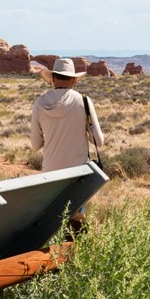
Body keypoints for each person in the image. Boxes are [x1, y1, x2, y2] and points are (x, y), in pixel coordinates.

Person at [31, 58, 104, 240]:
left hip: (50, 175)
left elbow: (35, 145)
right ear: (73, 80)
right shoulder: (84, 102)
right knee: (75, 225)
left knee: (52, 223)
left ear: (53, 78)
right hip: (77, 175)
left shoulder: (39, 104)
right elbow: (98, 141)